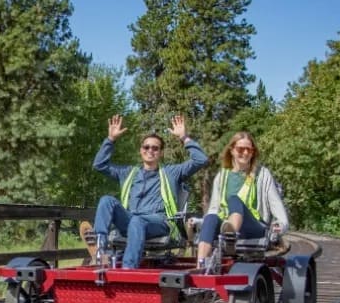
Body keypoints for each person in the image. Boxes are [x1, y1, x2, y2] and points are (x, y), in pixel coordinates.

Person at [92, 114, 208, 268]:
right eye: (146, 147)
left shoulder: (171, 172)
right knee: (107, 200)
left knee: (138, 220)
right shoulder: (128, 172)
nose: (150, 150)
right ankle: (100, 249)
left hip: (159, 223)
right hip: (130, 221)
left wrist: (184, 137)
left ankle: (128, 269)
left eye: (155, 148)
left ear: (160, 153)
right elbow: (99, 165)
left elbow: (201, 159)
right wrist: (110, 140)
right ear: (141, 151)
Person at [196, 131, 288, 268]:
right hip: (225, 225)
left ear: (253, 152)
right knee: (210, 217)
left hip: (254, 226)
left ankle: (231, 235)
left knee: (234, 199)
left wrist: (279, 228)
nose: (245, 153)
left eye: (249, 150)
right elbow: (215, 208)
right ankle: (201, 265)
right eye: (240, 149)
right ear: (232, 151)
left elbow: (278, 210)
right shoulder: (222, 176)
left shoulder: (262, 174)